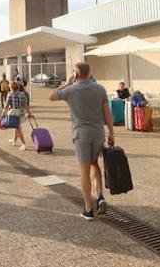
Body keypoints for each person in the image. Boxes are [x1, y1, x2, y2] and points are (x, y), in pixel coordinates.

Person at [49, 62, 114, 221]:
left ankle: (88, 209)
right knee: (94, 164)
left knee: (84, 170)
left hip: (81, 135)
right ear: (90, 73)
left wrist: (67, 83)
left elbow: (51, 96)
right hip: (98, 134)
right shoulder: (100, 89)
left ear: (76, 75)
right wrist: (112, 133)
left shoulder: (71, 90)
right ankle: (100, 197)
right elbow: (107, 114)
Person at [3, 81, 33, 151]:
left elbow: (6, 106)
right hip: (21, 114)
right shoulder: (22, 94)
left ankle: (24, 144)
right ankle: (14, 141)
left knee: (18, 129)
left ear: (11, 87)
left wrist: (3, 114)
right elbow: (26, 105)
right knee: (16, 127)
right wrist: (29, 113)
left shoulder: (10, 94)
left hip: (14, 114)